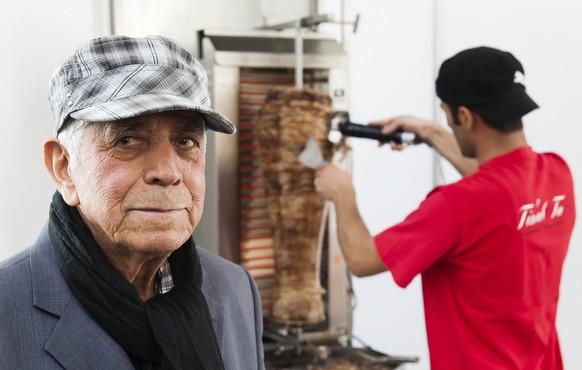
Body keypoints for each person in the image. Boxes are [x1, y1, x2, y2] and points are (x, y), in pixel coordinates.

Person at [0, 35, 264, 370]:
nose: (167, 172)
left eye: (186, 141)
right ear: (64, 168)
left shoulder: (234, 288)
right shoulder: (7, 310)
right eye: (127, 140)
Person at [314, 46, 576, 369]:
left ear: (465, 116)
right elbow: (497, 183)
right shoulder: (557, 175)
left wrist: (342, 193)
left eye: (447, 116)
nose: (448, 124)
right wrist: (430, 131)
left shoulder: (456, 206)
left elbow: (362, 259)